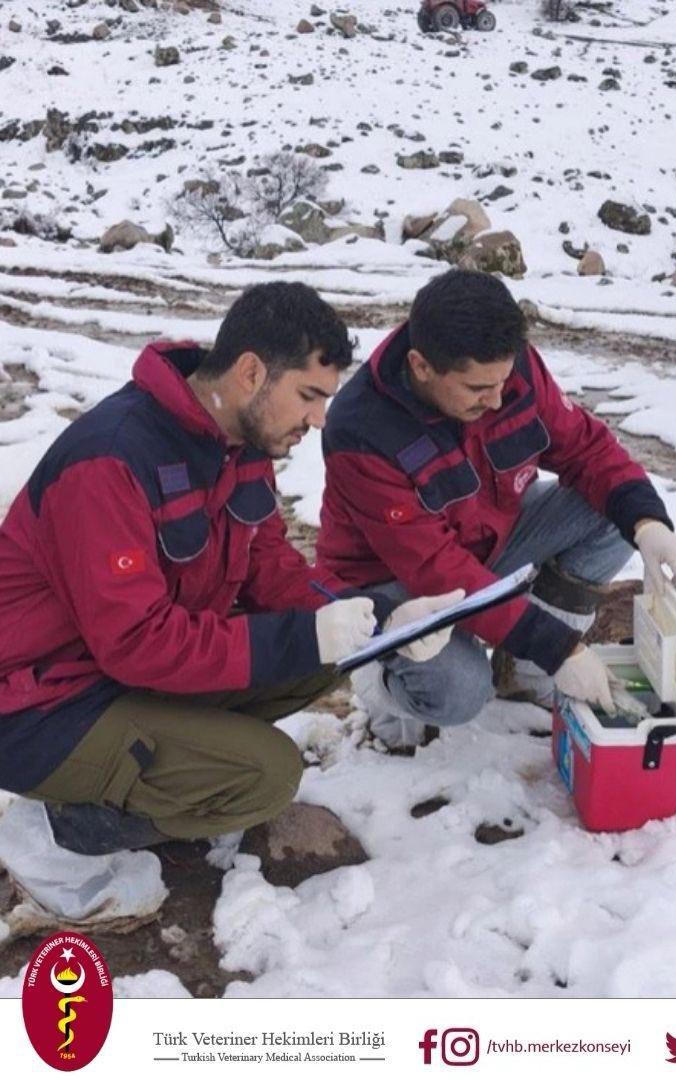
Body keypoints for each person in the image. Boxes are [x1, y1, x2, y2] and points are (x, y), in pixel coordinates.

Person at [0, 282, 460, 929]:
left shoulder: (239, 445)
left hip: (120, 676)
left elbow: (271, 568)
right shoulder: (111, 458)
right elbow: (137, 641)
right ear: (250, 373)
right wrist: (309, 635)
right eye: (309, 395)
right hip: (41, 707)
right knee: (267, 777)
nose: (320, 419)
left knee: (327, 648)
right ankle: (57, 833)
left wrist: (374, 619)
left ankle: (167, 764)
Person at [317, 268, 676, 748]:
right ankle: (382, 680)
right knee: (459, 691)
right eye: (477, 389)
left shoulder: (507, 371)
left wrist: (648, 522)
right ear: (421, 365)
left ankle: (523, 673)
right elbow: (435, 568)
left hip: (489, 539)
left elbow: (586, 450)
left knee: (613, 513)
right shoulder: (361, 431)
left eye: (503, 381)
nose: (498, 399)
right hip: (396, 587)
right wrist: (562, 647)